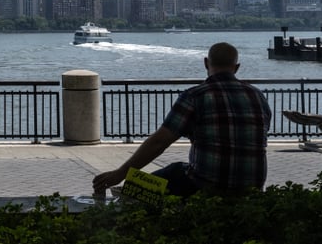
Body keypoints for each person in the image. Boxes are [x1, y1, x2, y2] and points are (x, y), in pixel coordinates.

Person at [92, 42, 272, 197]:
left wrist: (120, 174)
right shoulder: (257, 96)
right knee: (180, 168)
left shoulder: (195, 96)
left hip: (205, 187)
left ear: (206, 63)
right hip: (251, 189)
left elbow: (159, 142)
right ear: (237, 67)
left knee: (141, 187)